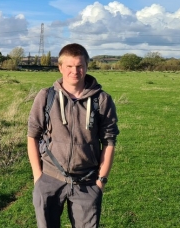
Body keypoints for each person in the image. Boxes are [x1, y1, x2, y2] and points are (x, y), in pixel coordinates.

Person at [27, 43, 119, 228]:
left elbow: (109, 142)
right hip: (49, 179)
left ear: (86, 66)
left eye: (79, 66)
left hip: (87, 182)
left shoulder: (102, 100)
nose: (74, 71)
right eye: (69, 66)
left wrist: (101, 181)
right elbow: (32, 136)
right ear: (60, 67)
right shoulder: (46, 96)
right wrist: (38, 177)